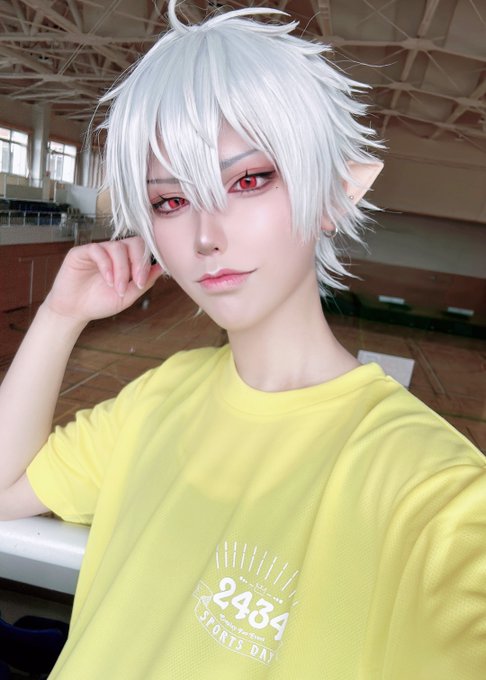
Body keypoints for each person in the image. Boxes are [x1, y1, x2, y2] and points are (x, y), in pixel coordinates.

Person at [0, 1, 485, 678]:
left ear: (335, 193)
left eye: (250, 180)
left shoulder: (435, 490)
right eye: (171, 201)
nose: (206, 235)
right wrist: (59, 315)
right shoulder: (159, 396)